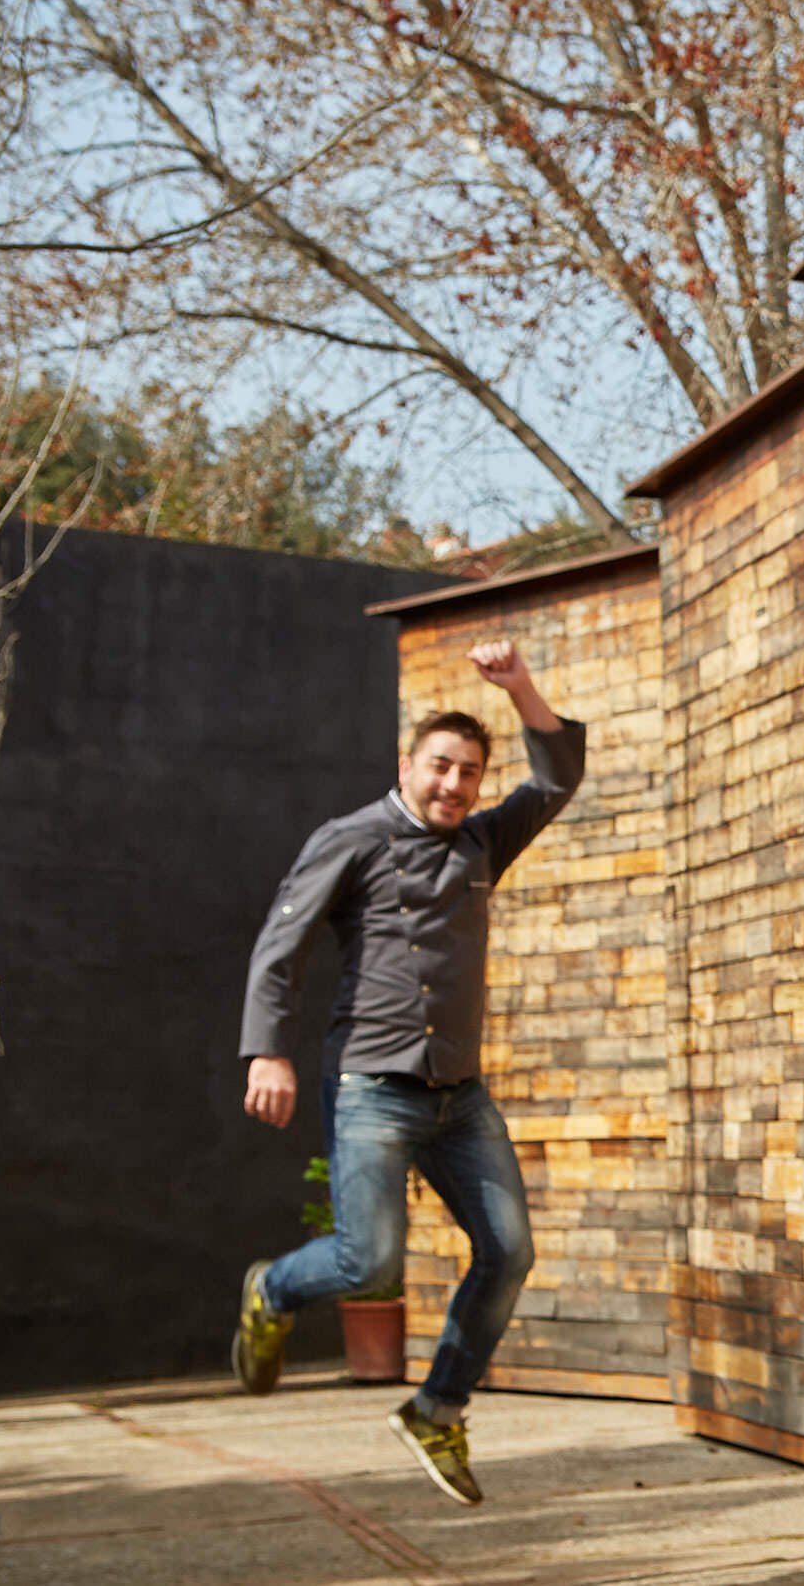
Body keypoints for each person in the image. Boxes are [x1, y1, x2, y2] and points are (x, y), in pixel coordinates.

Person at [230, 640, 585, 1507]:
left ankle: (438, 1406)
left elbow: (558, 777)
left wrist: (519, 687)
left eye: (468, 771)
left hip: (459, 1097)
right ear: (407, 764)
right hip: (372, 1087)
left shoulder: (482, 842)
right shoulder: (349, 839)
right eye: (440, 767)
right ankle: (272, 1289)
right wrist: (267, 1048)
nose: (454, 785)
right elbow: (282, 947)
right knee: (368, 1260)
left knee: (509, 1251)